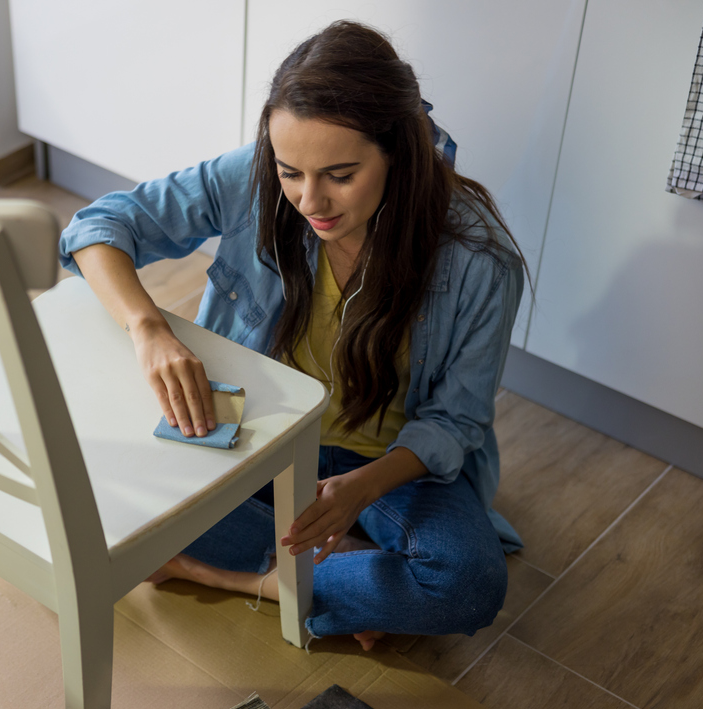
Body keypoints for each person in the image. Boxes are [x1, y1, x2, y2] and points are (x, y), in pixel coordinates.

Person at [59, 21, 526, 651]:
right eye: (290, 172)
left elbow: (457, 420)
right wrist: (149, 330)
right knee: (96, 481)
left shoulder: (479, 258)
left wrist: (363, 489)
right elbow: (100, 225)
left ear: (398, 152)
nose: (311, 200)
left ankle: (227, 574)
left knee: (468, 584)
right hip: (264, 435)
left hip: (389, 468)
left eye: (340, 173)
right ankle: (326, 575)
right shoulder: (252, 180)